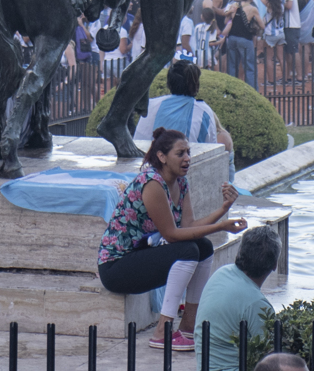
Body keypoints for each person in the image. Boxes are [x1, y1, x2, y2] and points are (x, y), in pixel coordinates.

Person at [96, 128, 245, 353]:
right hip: (116, 267)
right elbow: (172, 235)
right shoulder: (152, 183)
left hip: (139, 257)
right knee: (187, 251)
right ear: (162, 157)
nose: (187, 158)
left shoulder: (180, 182)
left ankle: (188, 326)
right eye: (180, 153)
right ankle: (162, 332)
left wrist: (223, 210)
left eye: (188, 152)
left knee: (203, 247)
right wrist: (221, 226)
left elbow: (189, 227)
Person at [195, 225, 280, 371]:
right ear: (274, 265)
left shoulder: (221, 273)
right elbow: (274, 359)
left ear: (240, 253)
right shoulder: (258, 305)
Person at [132, 60, 234, 153]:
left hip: (151, 167)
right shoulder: (204, 111)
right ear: (196, 85)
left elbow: (138, 141)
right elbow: (211, 150)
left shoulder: (151, 106)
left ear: (169, 83)